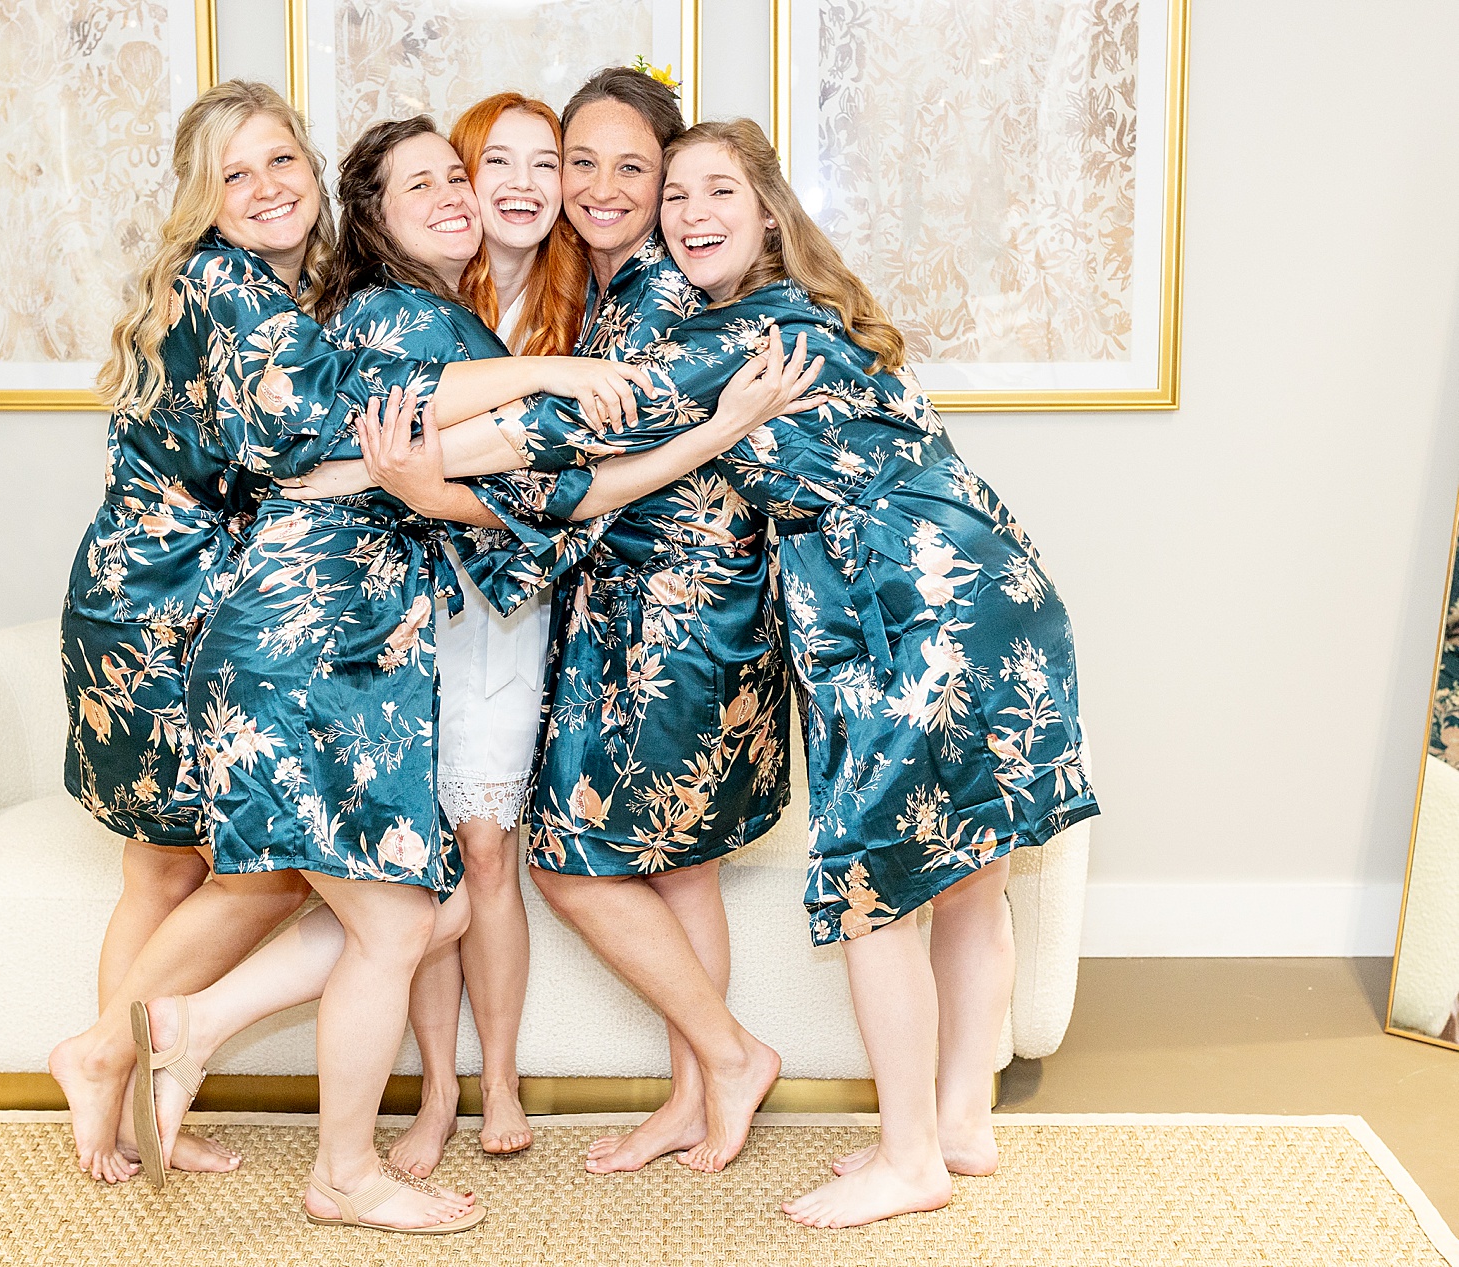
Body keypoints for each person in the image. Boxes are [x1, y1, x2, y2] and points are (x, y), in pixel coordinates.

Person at [436, 117, 1103, 1226]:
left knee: (878, 889)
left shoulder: (744, 332)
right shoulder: (812, 315)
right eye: (679, 197)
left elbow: (561, 427)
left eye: (717, 195)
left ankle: (908, 1160)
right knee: (971, 876)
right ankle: (955, 1124)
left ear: (767, 215)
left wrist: (394, 454)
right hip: (997, 589)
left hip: (898, 613)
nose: (691, 215)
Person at [49, 79, 650, 1188]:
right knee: (209, 870)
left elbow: (354, 441)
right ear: (202, 199)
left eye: (283, 162)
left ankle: (128, 1084)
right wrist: (556, 382)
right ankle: (121, 1074)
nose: (269, 187)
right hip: (168, 604)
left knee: (210, 868)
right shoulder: (229, 285)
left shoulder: (294, 293)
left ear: (316, 179)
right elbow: (341, 433)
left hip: (213, 594)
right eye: (237, 173)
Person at [285, 68, 794, 1181]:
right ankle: (699, 1085)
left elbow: (560, 444)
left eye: (633, 169)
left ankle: (715, 1066)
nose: (595, 188)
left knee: (636, 870)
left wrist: (380, 478)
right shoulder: (508, 295)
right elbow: (549, 439)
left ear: (669, 184)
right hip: (589, 602)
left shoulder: (655, 292)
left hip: (678, 605)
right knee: (655, 869)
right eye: (580, 163)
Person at [384, 90, 590, 1176]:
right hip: (395, 608)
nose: (516, 183)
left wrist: (432, 486)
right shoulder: (410, 300)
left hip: (507, 608)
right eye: (488, 163)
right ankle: (432, 1093)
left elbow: (573, 493)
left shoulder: (585, 312)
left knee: (484, 847)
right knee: (418, 862)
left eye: (540, 163)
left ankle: (498, 1077)